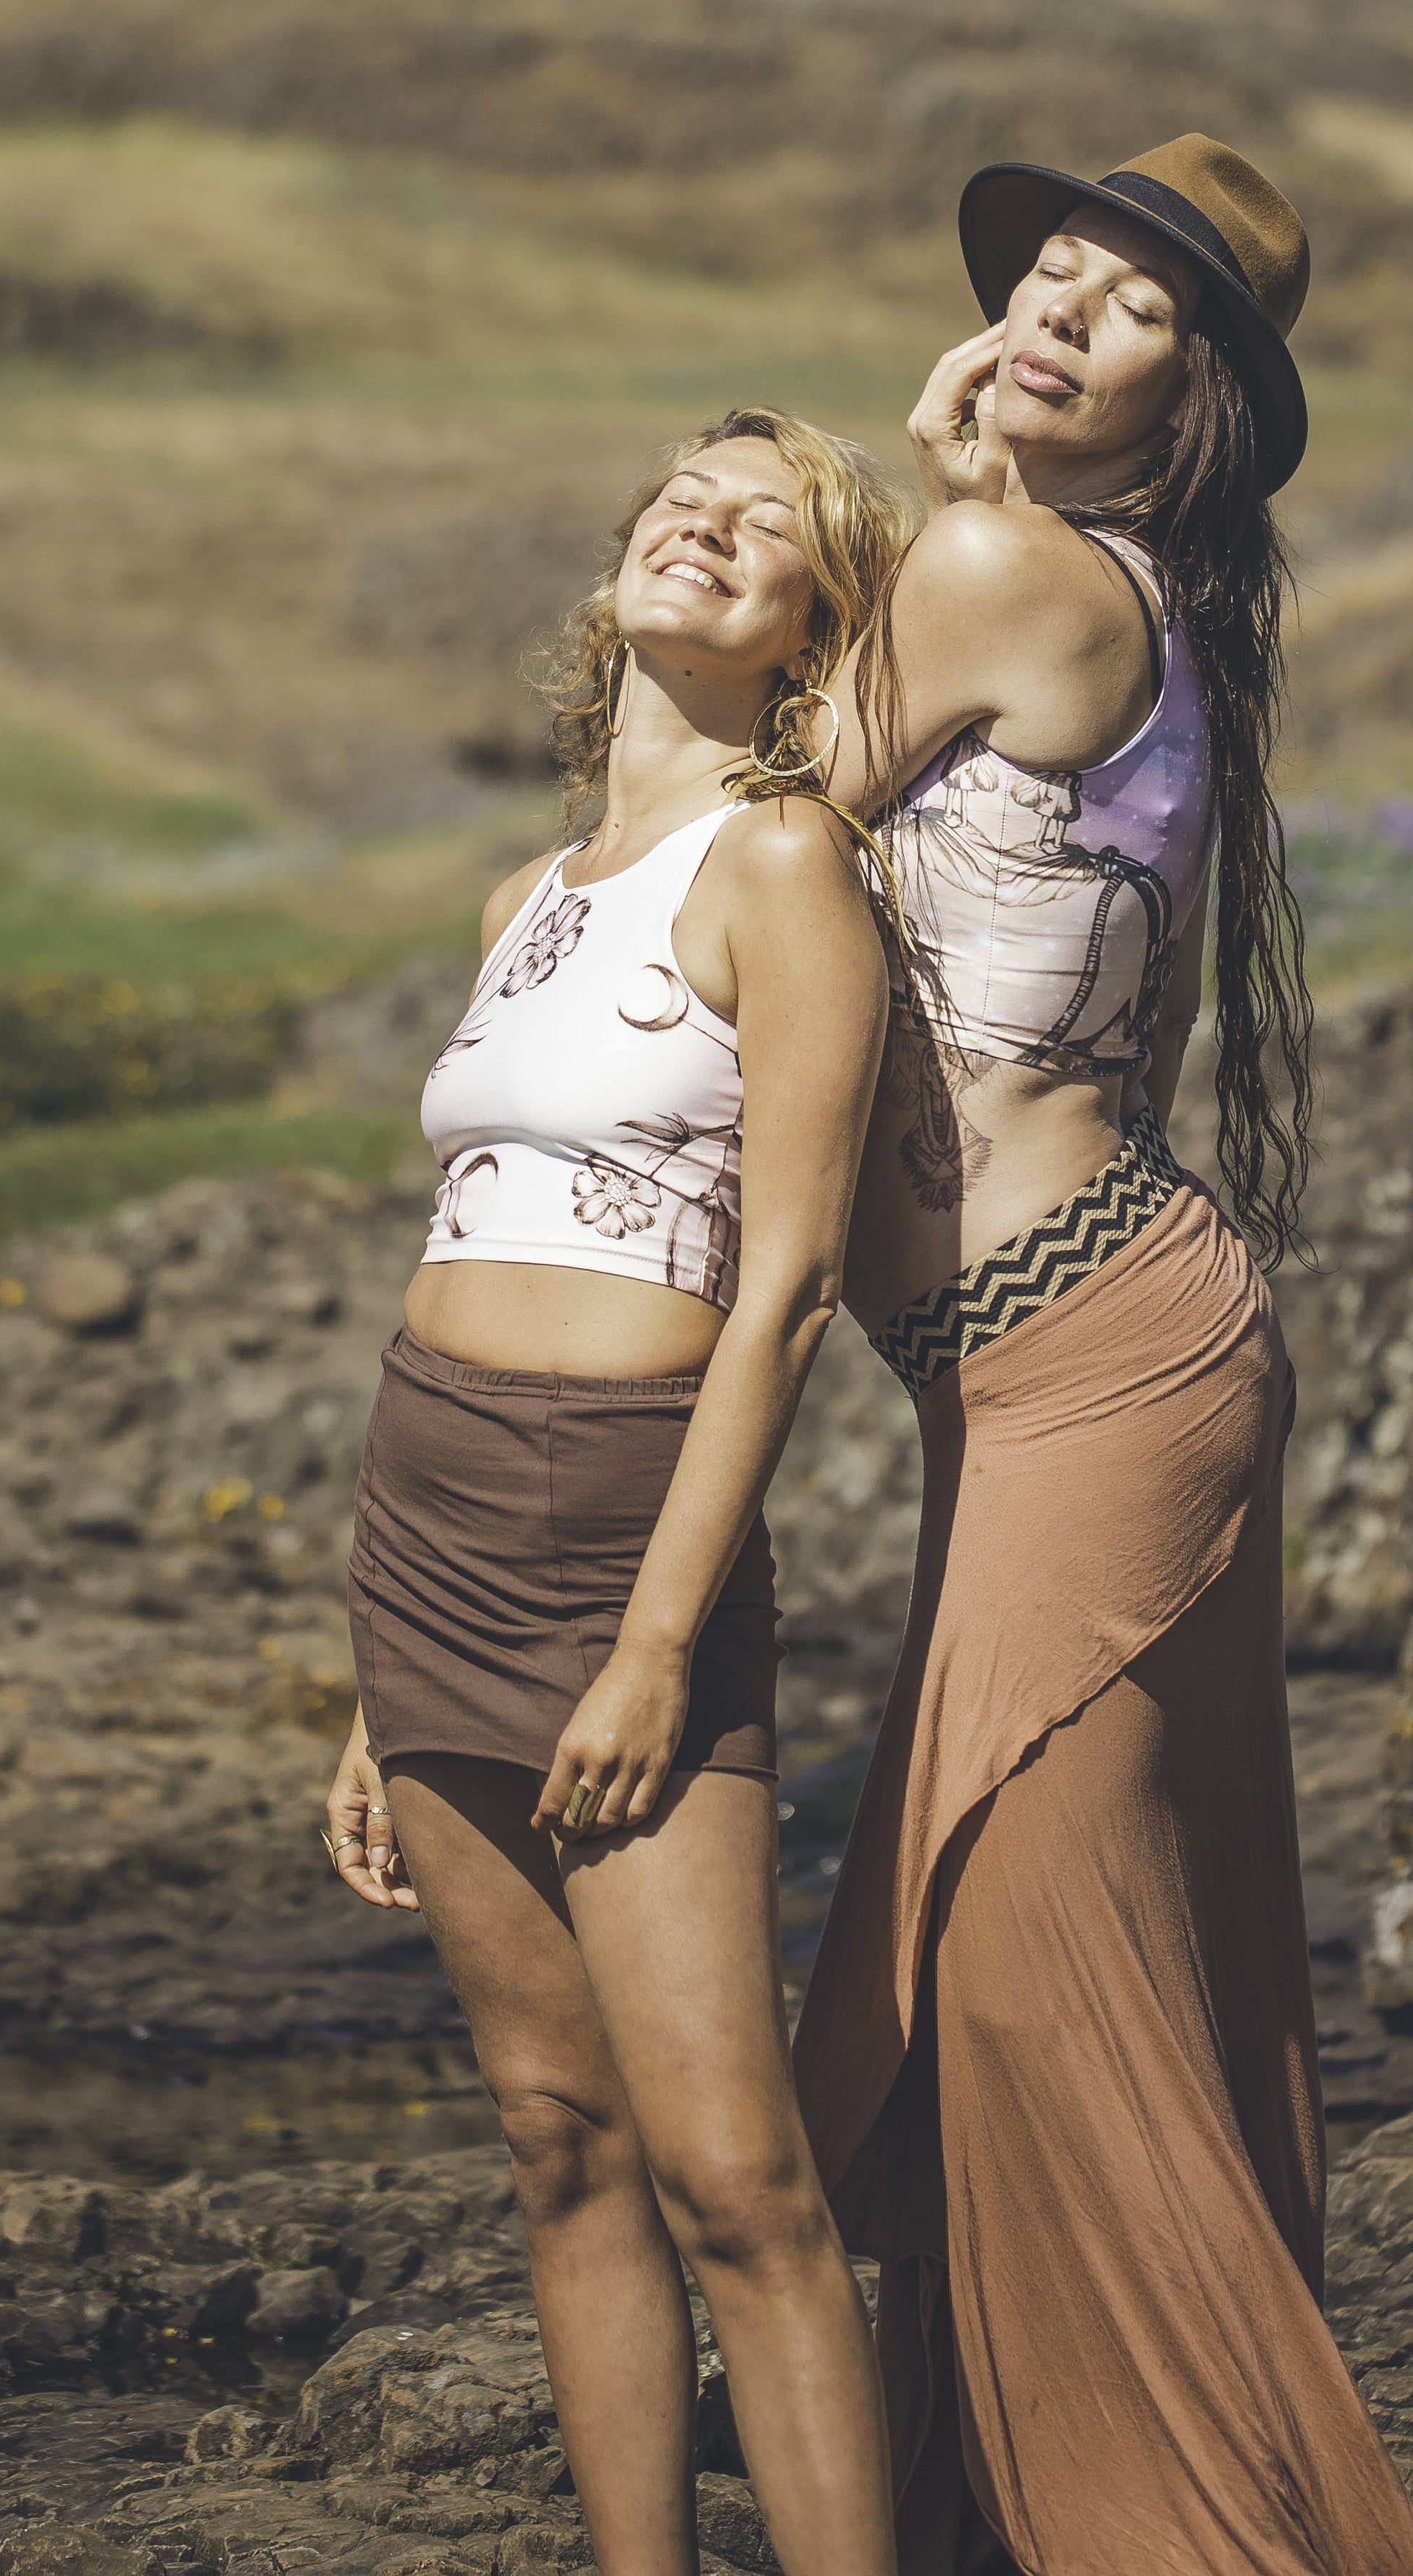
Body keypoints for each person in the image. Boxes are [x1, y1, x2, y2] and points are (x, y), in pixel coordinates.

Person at [795, 139, 1413, 2576]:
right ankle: (1032, 2499)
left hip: (1090, 1361)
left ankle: (1192, 2527)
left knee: (1029, 1973)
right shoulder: (1109, 595)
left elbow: (740, 841)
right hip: (1088, 1354)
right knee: (1092, 1961)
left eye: (1131, 301)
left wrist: (933, 495)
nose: (1061, 306)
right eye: (1045, 274)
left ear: (1200, 399)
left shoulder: (1007, 571)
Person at [323, 408, 910, 2576]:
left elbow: (792, 1287)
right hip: (427, 1517)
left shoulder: (782, 867)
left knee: (735, 2176)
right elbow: (460, 1225)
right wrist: (370, 1697)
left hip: (624, 1522)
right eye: (687, 489)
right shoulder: (525, 894)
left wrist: (660, 1643)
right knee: (557, 2135)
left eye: (767, 523)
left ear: (810, 635)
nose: (705, 519)